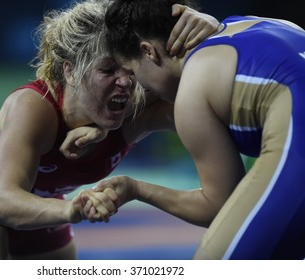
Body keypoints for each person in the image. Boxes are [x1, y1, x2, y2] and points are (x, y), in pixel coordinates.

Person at [0, 0, 219, 259]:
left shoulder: (136, 106)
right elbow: (4, 202)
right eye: (107, 71)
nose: (125, 83)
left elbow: (212, 96)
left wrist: (211, 32)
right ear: (69, 71)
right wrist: (72, 209)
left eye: (129, 70)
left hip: (37, 192)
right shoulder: (34, 108)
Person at [82, 0, 305, 259]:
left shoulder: (193, 88)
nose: (140, 86)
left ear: (149, 51)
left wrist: (136, 189)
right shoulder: (250, 23)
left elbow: (218, 205)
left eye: (133, 71)